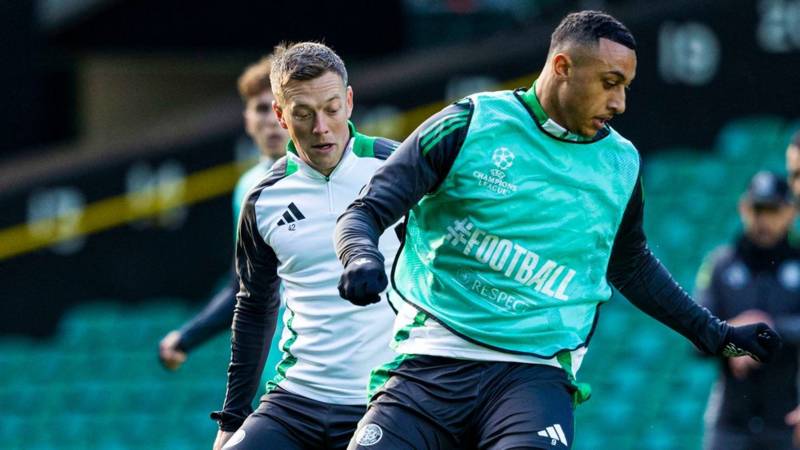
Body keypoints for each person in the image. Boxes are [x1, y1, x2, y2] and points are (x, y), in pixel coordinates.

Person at [334, 10, 782, 450]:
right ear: (563, 67)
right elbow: (366, 210)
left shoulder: (621, 165)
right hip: (430, 359)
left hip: (533, 375)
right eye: (610, 83)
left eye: (625, 87)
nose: (620, 104)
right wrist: (359, 253)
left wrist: (716, 333)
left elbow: (631, 265)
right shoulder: (467, 124)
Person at [210, 42, 402, 450]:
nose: (321, 127)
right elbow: (253, 306)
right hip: (296, 399)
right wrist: (232, 418)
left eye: (332, 109)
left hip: (388, 399)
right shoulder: (263, 199)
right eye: (303, 114)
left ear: (349, 101)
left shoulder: (398, 169)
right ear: (280, 115)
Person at [158, 56, 288, 372]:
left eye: (279, 109)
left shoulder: (329, 176)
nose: (271, 120)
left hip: (340, 373)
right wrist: (187, 336)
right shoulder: (247, 187)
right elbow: (244, 287)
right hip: (275, 373)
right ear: (247, 119)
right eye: (260, 109)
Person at [695, 171, 800, 450]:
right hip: (730, 424)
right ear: (743, 208)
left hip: (788, 420)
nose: (763, 219)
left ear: (791, 211)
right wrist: (733, 336)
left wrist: (768, 330)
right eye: (757, 209)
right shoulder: (720, 264)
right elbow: (694, 339)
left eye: (773, 210)